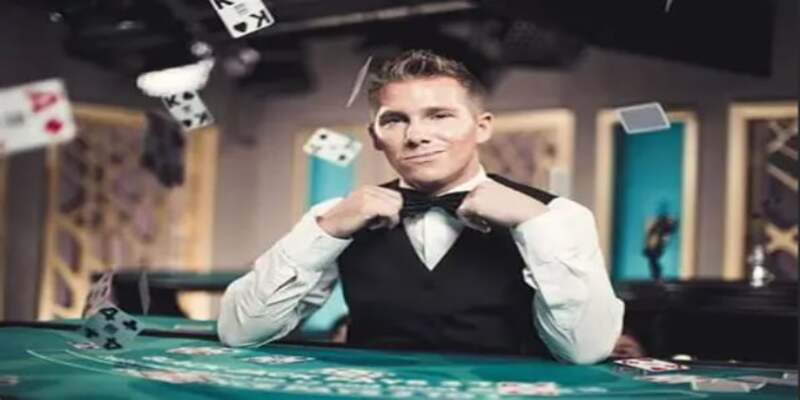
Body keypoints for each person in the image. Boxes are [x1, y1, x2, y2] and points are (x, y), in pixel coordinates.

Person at [218, 49, 624, 364]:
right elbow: (240, 332)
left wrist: (533, 224)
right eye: (395, 120)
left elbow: (585, 350)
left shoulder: (557, 216)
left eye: (440, 116)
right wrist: (326, 231)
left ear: (481, 126)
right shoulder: (334, 215)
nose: (417, 135)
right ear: (375, 136)